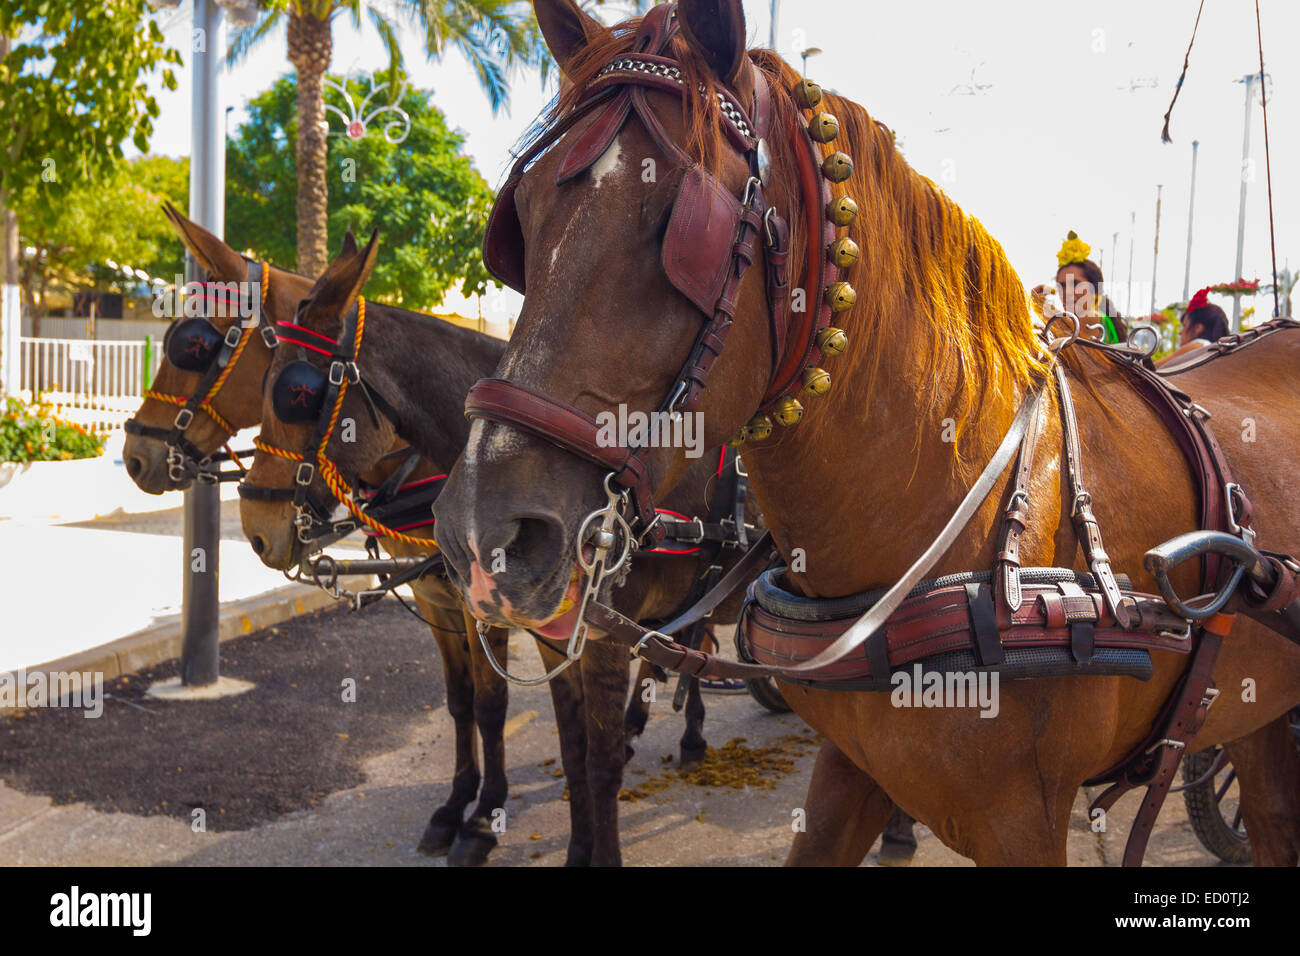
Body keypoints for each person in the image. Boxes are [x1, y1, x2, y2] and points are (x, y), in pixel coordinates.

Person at [1032, 231, 1128, 344]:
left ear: (1095, 289)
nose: (1067, 291)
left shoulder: (1089, 317)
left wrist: (1037, 305)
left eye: (1075, 284)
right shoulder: (1100, 317)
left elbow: (1052, 326)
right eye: (1062, 285)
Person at [1160, 287, 1231, 365]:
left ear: (1198, 328)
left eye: (1184, 326)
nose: (1180, 332)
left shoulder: (1198, 346)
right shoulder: (1217, 351)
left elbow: (1152, 368)